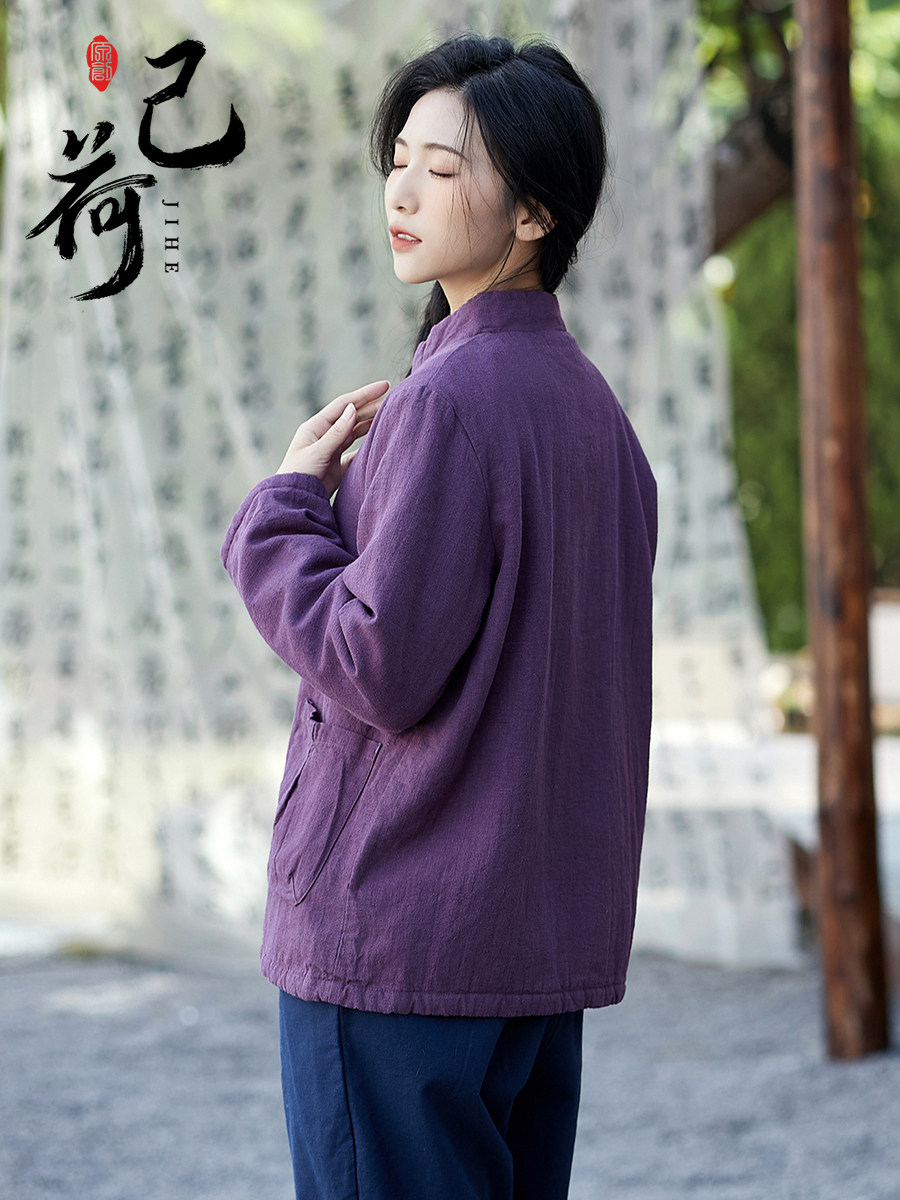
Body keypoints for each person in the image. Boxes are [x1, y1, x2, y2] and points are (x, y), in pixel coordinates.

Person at [221, 29, 658, 1200]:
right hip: (530, 947)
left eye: (444, 167)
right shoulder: (595, 414)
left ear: (535, 213)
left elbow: (377, 662)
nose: (403, 193)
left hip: (401, 945)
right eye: (399, 162)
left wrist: (284, 509)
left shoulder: (448, 400)